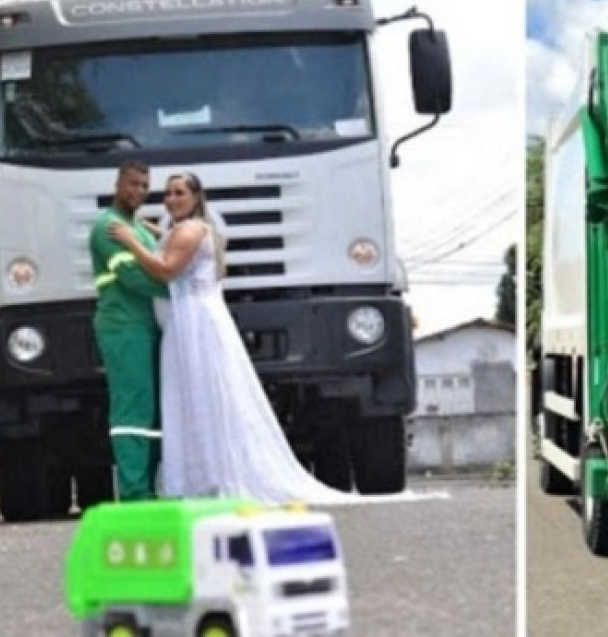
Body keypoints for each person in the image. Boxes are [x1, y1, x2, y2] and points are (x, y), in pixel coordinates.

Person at [109, 172, 438, 505]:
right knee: (207, 395)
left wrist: (130, 240)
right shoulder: (196, 229)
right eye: (167, 193)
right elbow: (170, 238)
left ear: (195, 197)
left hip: (192, 322)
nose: (170, 199)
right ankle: (208, 472)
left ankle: (205, 477)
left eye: (179, 193)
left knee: (197, 394)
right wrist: (149, 229)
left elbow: (166, 269)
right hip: (197, 319)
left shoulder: (190, 230)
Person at [89, 159, 169, 501]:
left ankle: (147, 487)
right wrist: (182, 291)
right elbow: (134, 277)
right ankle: (135, 492)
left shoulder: (135, 227)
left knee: (151, 410)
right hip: (123, 328)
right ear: (117, 185)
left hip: (145, 326)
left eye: (144, 186)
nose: (138, 191)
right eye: (132, 184)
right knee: (132, 409)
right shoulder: (108, 228)